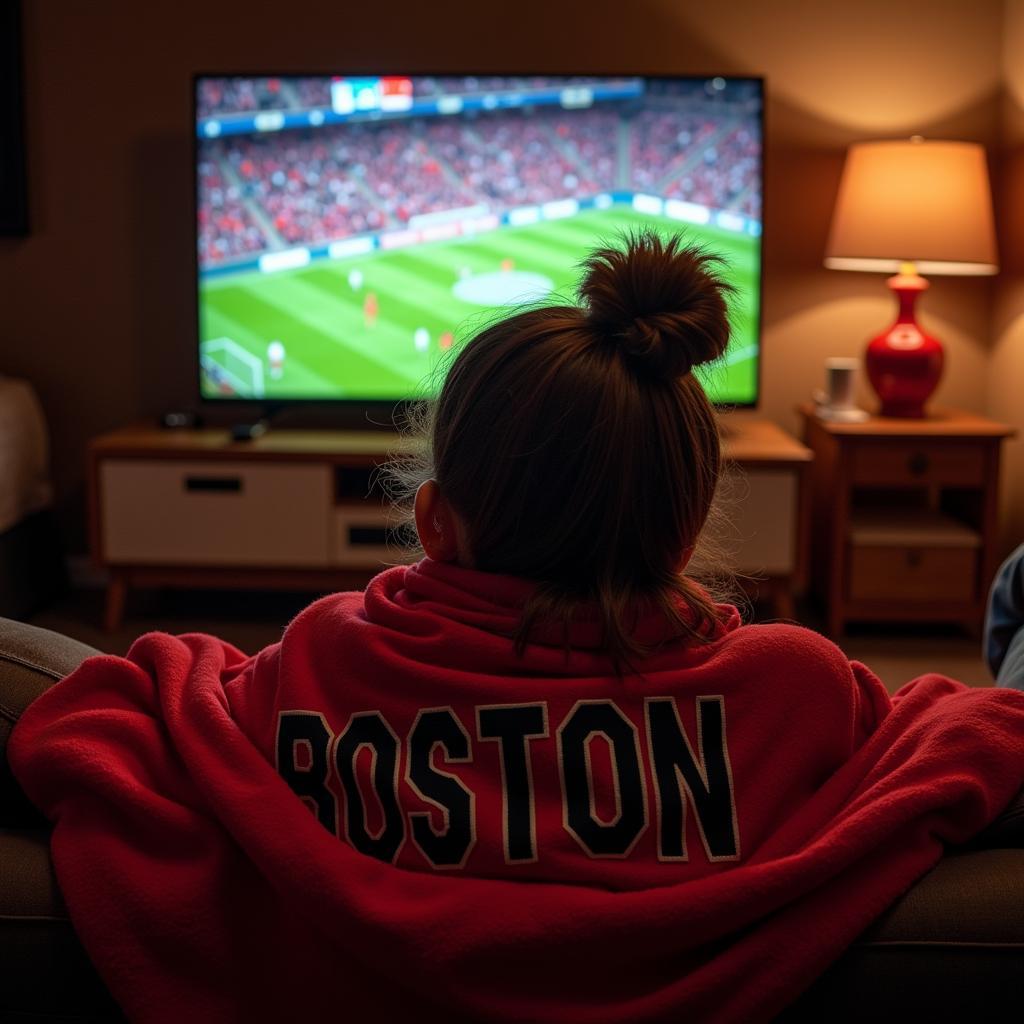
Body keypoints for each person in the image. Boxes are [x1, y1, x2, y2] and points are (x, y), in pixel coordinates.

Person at [7, 232, 1024, 1024]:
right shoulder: (799, 690)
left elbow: (126, 721)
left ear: (435, 521)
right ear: (686, 522)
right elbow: (980, 744)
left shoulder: (320, 658)